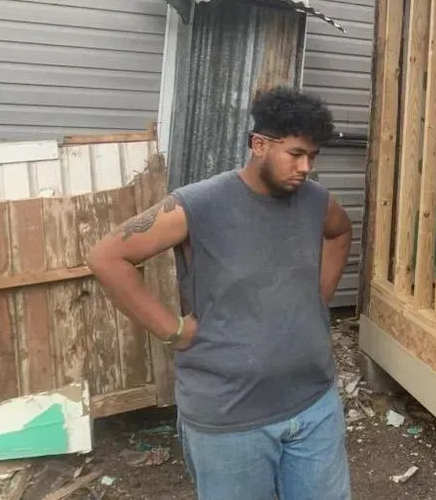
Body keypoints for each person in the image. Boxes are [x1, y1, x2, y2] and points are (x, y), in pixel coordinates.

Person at [88, 86, 353, 500]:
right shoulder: (199, 204)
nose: (305, 167)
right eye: (296, 154)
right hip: (231, 418)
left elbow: (339, 232)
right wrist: (172, 330)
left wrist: (317, 298)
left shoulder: (316, 201)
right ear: (259, 145)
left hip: (314, 404)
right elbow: (107, 257)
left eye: (313, 157)